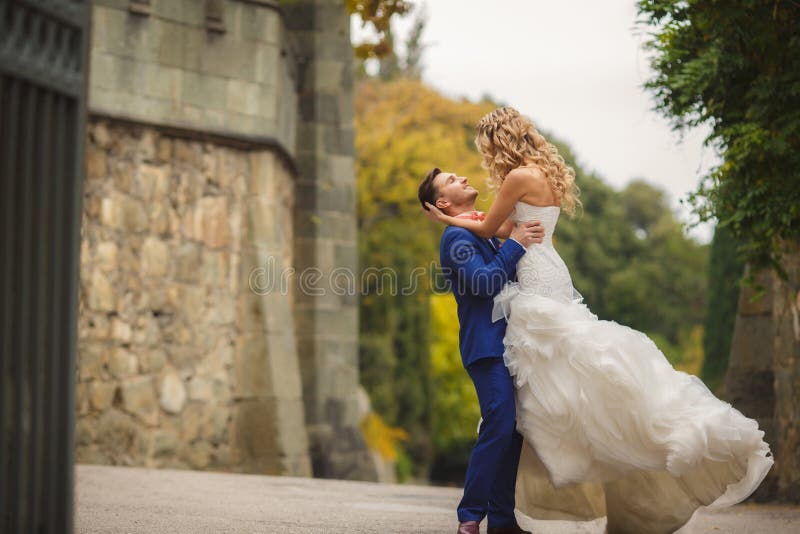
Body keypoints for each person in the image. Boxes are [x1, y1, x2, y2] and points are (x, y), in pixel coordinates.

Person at [423, 106, 774, 534]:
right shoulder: (499, 204)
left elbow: (497, 235)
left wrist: (464, 223)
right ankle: (484, 517)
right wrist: (473, 227)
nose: (470, 172)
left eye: (481, 152)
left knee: (522, 412)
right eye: (453, 181)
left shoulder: (507, 188)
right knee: (520, 412)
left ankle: (494, 517)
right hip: (523, 299)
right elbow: (492, 263)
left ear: (498, 141)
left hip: (533, 290)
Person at [418, 167, 544, 534]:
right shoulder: (456, 236)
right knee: (500, 424)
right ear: (443, 202)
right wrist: (516, 244)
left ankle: (502, 521)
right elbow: (485, 283)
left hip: (513, 344)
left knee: (513, 430)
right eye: (452, 180)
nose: (462, 178)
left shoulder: (478, 229)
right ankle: (469, 517)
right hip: (486, 348)